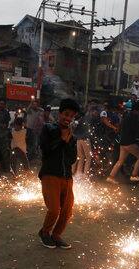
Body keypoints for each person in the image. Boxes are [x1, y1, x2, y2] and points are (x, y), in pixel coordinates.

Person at [38, 98, 79, 250]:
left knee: (67, 210)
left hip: (67, 177)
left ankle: (56, 235)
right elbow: (45, 150)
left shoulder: (72, 137)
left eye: (71, 116)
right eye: (66, 114)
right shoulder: (48, 129)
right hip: (50, 175)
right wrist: (61, 141)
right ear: (60, 113)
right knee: (54, 209)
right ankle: (44, 232)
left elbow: (72, 159)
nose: (68, 118)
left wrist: (68, 143)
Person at [106, 102, 139, 184]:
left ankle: (111, 177)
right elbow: (137, 128)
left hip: (123, 142)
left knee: (120, 161)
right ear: (136, 110)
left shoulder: (126, 116)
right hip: (129, 142)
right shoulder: (133, 118)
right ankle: (134, 175)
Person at [72, 110, 92, 176]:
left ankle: (78, 174)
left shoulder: (76, 120)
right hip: (85, 139)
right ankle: (86, 175)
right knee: (88, 157)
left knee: (81, 157)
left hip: (78, 139)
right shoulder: (85, 119)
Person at [0, 99, 11, 172]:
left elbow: (6, 124)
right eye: (0, 103)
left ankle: (6, 167)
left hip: (3, 135)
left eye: (2, 104)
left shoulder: (6, 112)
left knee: (4, 152)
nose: (1, 105)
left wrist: (2, 125)